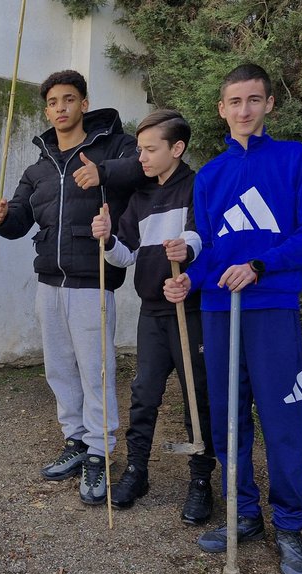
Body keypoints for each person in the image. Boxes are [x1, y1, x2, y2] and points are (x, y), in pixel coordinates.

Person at [164, 64, 302, 574]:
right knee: (227, 419)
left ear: (269, 104)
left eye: (254, 100)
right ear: (221, 109)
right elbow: (211, 251)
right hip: (219, 312)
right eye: (235, 102)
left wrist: (261, 265)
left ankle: (290, 527)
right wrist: (190, 279)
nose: (244, 110)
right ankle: (244, 515)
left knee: (282, 421)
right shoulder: (210, 175)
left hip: (271, 308)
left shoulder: (295, 159)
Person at [0, 69, 144, 505]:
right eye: (53, 102)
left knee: (95, 370)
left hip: (93, 279)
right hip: (49, 281)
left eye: (69, 99)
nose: (61, 108)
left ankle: (99, 450)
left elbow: (143, 169)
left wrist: (104, 174)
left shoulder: (113, 145)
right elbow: (19, 221)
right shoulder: (38, 166)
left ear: (84, 104)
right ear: (47, 109)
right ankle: (75, 439)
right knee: (58, 368)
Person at [92, 109, 216, 523]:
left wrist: (189, 249)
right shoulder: (141, 197)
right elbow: (124, 254)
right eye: (139, 149)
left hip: (190, 310)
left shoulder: (199, 186)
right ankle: (136, 471)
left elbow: (203, 235)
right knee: (144, 393)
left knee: (197, 397)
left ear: (176, 149)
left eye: (149, 149)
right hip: (151, 312)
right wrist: (107, 237)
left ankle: (200, 481)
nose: (140, 157)